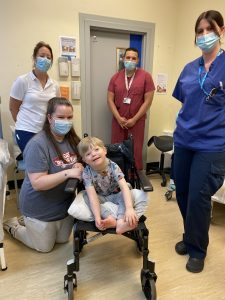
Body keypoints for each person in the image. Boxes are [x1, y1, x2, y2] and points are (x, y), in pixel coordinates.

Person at [172, 10, 225, 273]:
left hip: (212, 146)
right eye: (200, 31)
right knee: (182, 193)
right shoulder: (189, 69)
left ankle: (197, 249)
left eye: (209, 29)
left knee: (198, 199)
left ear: (221, 31)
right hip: (184, 141)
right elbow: (187, 103)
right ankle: (190, 236)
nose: (204, 35)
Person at [3, 97, 83, 252]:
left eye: (69, 117)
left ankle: (29, 223)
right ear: (49, 118)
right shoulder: (37, 144)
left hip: (64, 207)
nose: (65, 121)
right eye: (60, 117)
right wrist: (68, 172)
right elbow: (38, 183)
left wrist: (80, 163)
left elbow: (82, 160)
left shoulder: (72, 139)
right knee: (44, 248)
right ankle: (13, 225)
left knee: (62, 241)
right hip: (40, 208)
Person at [74, 136, 148, 234]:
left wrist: (129, 209)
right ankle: (110, 218)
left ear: (104, 150)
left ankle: (121, 221)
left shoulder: (113, 166)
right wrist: (97, 218)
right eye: (88, 154)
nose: (93, 154)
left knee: (128, 192)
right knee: (86, 196)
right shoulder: (87, 173)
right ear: (85, 160)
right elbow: (93, 197)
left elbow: (124, 187)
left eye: (96, 149)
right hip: (100, 197)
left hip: (116, 194)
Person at [107, 47, 155, 170]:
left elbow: (148, 101)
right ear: (123, 59)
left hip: (137, 122)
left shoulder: (146, 77)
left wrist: (134, 119)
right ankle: (117, 178)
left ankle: (135, 180)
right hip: (118, 122)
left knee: (135, 151)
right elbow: (109, 100)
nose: (130, 60)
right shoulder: (115, 78)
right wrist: (118, 118)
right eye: (128, 57)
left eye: (133, 58)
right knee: (117, 150)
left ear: (137, 60)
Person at [9, 41, 60, 152]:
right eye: (41, 56)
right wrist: (23, 125)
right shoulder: (23, 81)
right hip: (26, 130)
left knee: (47, 162)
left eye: (48, 57)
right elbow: (13, 108)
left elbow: (56, 109)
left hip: (46, 131)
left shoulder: (55, 85)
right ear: (34, 58)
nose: (45, 59)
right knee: (34, 162)